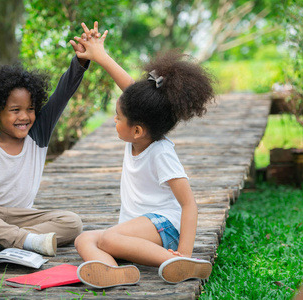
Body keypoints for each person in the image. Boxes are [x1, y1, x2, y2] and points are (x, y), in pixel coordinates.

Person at [69, 22, 215, 288]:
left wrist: (185, 251)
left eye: (117, 117)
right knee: (84, 239)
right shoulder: (140, 127)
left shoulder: (160, 152)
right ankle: (111, 271)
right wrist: (100, 55)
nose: (114, 120)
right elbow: (133, 92)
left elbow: (189, 204)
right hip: (138, 230)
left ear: (136, 130)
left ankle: (177, 262)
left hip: (165, 227)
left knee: (108, 239)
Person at [0, 36, 91, 257]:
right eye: (15, 110)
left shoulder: (38, 135)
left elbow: (62, 94)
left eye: (30, 109)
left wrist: (80, 61)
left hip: (24, 215)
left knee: (72, 222)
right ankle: (26, 240)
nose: (24, 116)